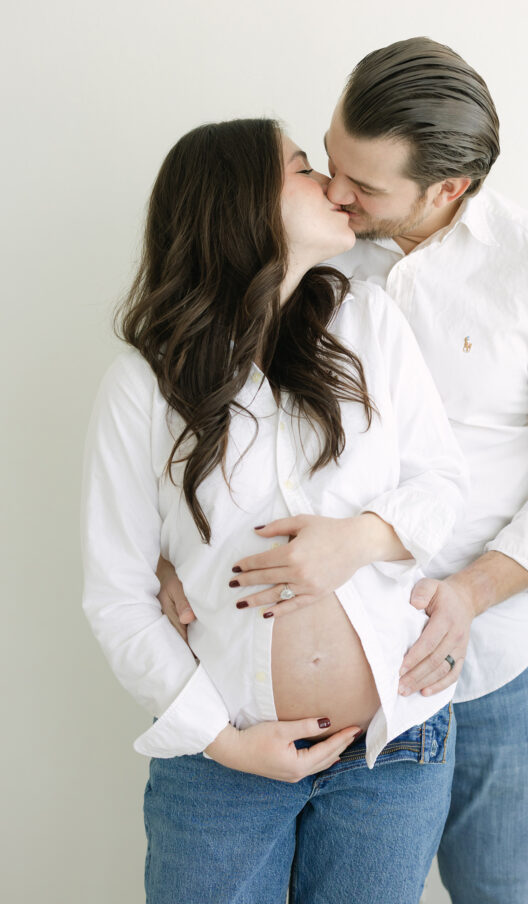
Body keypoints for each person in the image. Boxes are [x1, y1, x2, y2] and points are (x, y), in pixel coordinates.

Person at [158, 40, 528, 904]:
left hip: (493, 665)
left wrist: (472, 593)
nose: (336, 193)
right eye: (328, 160)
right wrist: (170, 547)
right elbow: (212, 413)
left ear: (446, 189)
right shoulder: (311, 246)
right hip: (324, 696)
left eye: (365, 186)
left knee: (504, 890)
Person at [81, 118, 470, 904]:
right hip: (223, 767)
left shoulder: (367, 324)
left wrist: (361, 539)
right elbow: (117, 595)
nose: (332, 187)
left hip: (391, 752)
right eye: (300, 169)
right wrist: (223, 743)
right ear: (237, 206)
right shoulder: (145, 386)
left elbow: (442, 484)